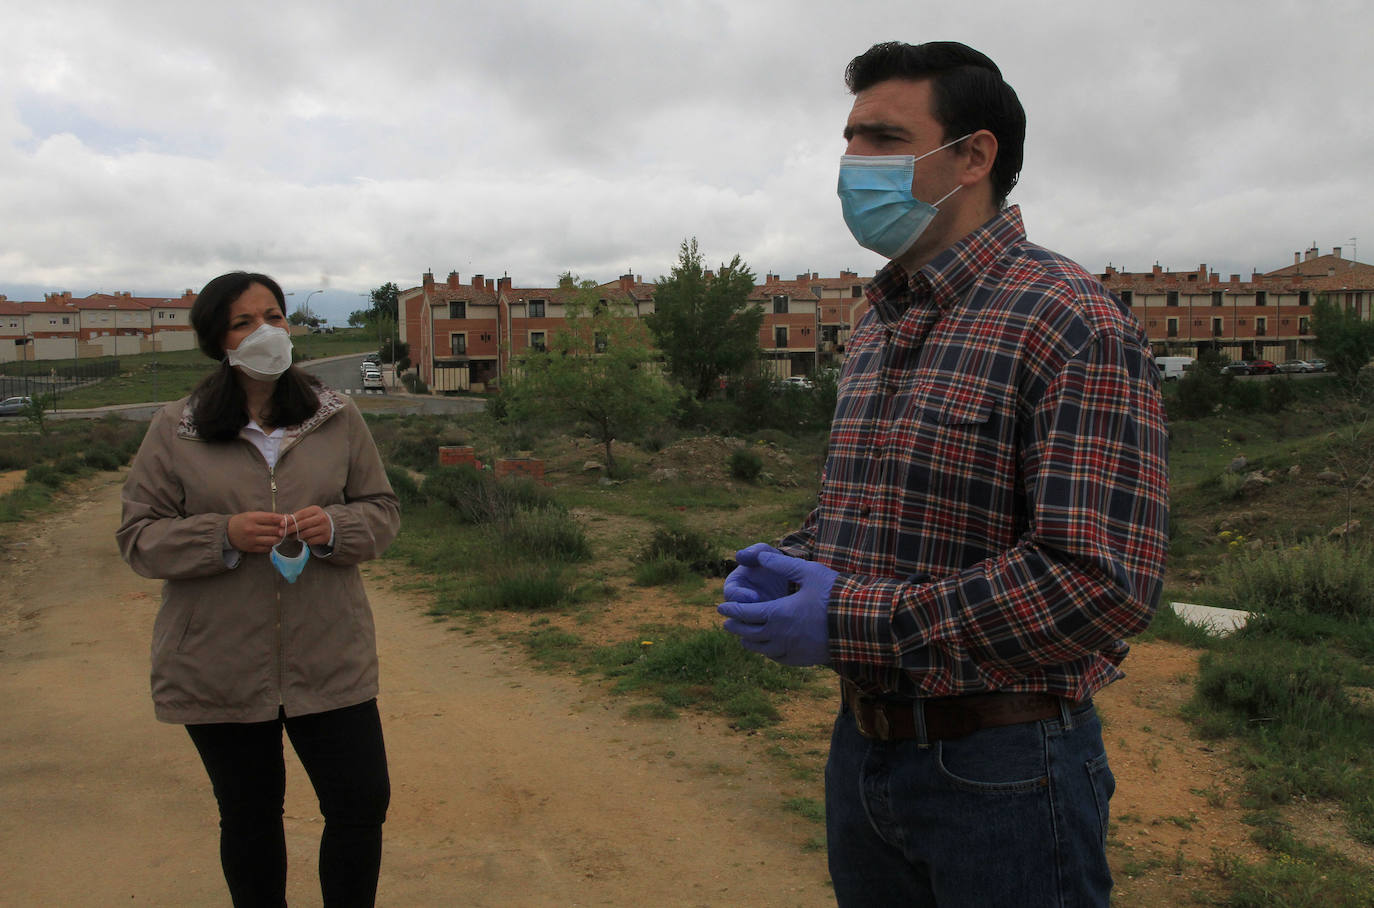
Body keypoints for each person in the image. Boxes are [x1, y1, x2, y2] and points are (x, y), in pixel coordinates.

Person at [719, 41, 1168, 907]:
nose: (854, 164)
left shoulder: (1070, 320)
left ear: (973, 156)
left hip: (1005, 770)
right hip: (863, 750)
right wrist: (791, 561)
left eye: (884, 139)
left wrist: (846, 616)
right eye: (849, 140)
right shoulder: (877, 319)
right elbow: (877, 509)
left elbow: (1101, 584)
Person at [117, 271, 401, 907]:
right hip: (218, 662)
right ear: (219, 340)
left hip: (331, 657)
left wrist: (337, 526)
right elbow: (138, 537)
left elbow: (383, 510)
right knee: (250, 818)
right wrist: (220, 535)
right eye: (244, 321)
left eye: (274, 315)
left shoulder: (337, 416)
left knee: (360, 806)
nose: (265, 331)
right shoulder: (176, 428)